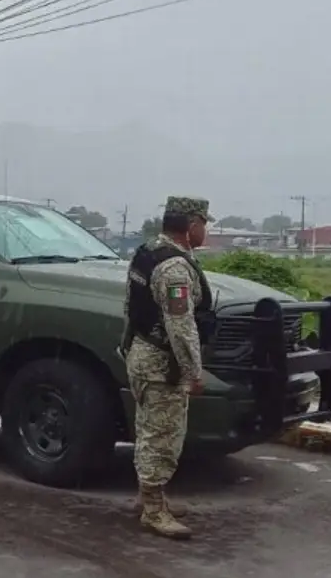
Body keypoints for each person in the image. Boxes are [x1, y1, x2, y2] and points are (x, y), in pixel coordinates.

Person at [120, 196, 213, 540]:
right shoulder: (174, 268)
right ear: (191, 227)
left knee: (148, 429)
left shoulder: (147, 251)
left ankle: (149, 498)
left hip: (142, 355)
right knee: (162, 437)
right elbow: (180, 324)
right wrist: (192, 370)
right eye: (204, 224)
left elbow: (130, 306)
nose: (206, 230)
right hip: (161, 365)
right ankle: (154, 511)